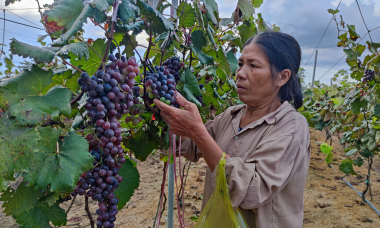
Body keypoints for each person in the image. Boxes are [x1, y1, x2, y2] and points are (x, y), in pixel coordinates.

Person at [154, 31, 311, 228]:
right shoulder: (231, 116)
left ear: (282, 77)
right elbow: (191, 146)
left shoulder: (292, 127)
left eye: (253, 65)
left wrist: (198, 132)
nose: (240, 73)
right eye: (240, 64)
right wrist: (162, 114)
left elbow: (253, 191)